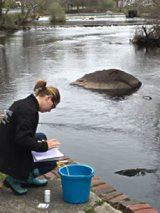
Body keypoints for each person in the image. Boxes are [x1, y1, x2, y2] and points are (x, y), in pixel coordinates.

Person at [0, 80, 61, 195]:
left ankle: (24, 175)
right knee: (51, 162)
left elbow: (20, 134)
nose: (49, 110)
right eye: (52, 107)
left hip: (4, 144)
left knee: (41, 136)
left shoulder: (22, 103)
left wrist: (41, 143)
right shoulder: (29, 111)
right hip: (7, 155)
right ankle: (15, 179)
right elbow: (22, 140)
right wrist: (45, 145)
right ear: (48, 98)